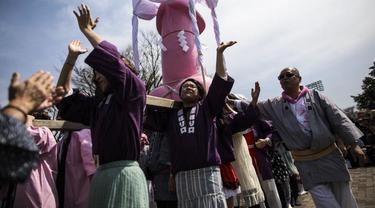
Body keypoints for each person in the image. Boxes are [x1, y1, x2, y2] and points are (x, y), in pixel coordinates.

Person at [54, 4, 148, 207]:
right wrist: (71, 59)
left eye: (101, 68)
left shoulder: (134, 92)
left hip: (125, 173)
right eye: (95, 71)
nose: (97, 73)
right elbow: (62, 96)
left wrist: (87, 31)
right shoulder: (98, 106)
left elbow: (113, 61)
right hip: (100, 176)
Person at [254, 67, 365, 208]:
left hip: (329, 155)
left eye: (289, 75)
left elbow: (338, 118)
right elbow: (251, 110)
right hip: (305, 162)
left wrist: (354, 145)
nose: (284, 78)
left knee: (344, 196)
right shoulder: (274, 104)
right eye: (281, 77)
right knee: (325, 202)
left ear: (299, 79)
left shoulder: (316, 96)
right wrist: (251, 101)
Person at [145, 41, 236, 208]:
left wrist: (219, 54)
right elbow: (148, 118)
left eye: (192, 86)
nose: (188, 87)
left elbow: (220, 82)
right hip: (182, 176)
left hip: (207, 172)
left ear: (199, 94)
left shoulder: (207, 109)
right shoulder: (171, 117)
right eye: (185, 86)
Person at [0, 71, 54, 207]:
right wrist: (21, 106)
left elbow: (28, 139)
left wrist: (20, 108)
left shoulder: (43, 132)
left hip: (34, 195)